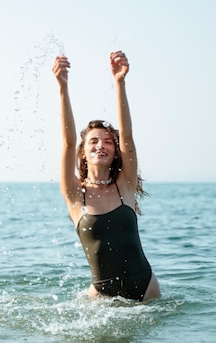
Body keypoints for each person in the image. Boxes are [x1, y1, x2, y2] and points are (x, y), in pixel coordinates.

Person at [52, 51, 161, 302]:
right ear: (83, 152)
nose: (100, 146)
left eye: (108, 142)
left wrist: (119, 82)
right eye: (93, 141)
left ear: (115, 152)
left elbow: (129, 138)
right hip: (102, 297)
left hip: (145, 289)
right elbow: (68, 142)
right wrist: (62, 87)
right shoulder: (74, 194)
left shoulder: (125, 185)